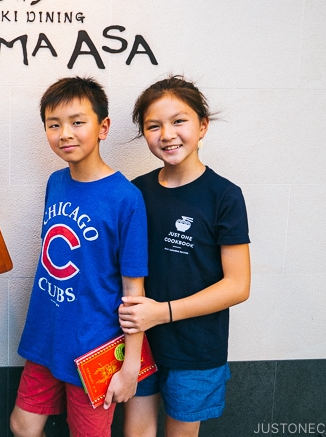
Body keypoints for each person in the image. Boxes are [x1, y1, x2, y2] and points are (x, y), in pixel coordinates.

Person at [10, 76, 149, 437]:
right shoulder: (56, 182)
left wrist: (130, 366)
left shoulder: (126, 198)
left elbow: (134, 290)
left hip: (95, 346)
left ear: (103, 127)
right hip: (46, 335)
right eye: (54, 124)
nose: (65, 133)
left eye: (77, 122)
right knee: (23, 426)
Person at [119, 75, 251, 437]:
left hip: (196, 348)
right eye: (153, 125)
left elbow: (238, 286)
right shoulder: (137, 192)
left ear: (202, 125)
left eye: (179, 121)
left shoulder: (224, 195)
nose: (167, 134)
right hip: (139, 343)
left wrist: (161, 312)